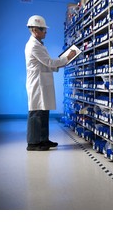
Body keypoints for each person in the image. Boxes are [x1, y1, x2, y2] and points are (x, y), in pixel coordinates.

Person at [25, 15, 77, 151]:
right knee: (36, 113)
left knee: (43, 112)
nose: (46, 32)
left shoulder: (39, 44)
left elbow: (49, 64)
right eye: (44, 30)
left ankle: (43, 140)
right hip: (37, 83)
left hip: (42, 82)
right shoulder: (33, 46)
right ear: (35, 30)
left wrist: (63, 61)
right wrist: (67, 58)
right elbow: (49, 62)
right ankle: (33, 143)